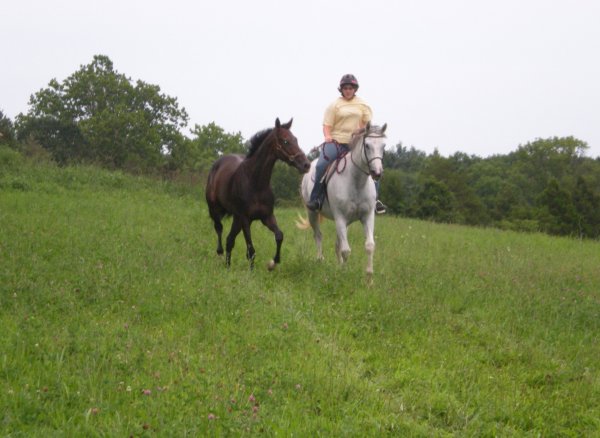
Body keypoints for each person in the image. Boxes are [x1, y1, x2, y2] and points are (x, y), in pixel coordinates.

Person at [306, 73, 387, 214]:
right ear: (341, 89)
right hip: (336, 142)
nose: (348, 90)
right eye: (345, 88)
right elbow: (327, 125)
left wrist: (361, 131)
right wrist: (327, 136)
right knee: (321, 165)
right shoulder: (334, 105)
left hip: (354, 143)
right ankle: (316, 198)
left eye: (351, 88)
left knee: (373, 165)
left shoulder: (362, 104)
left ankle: (375, 201)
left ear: (355, 89)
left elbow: (367, 124)